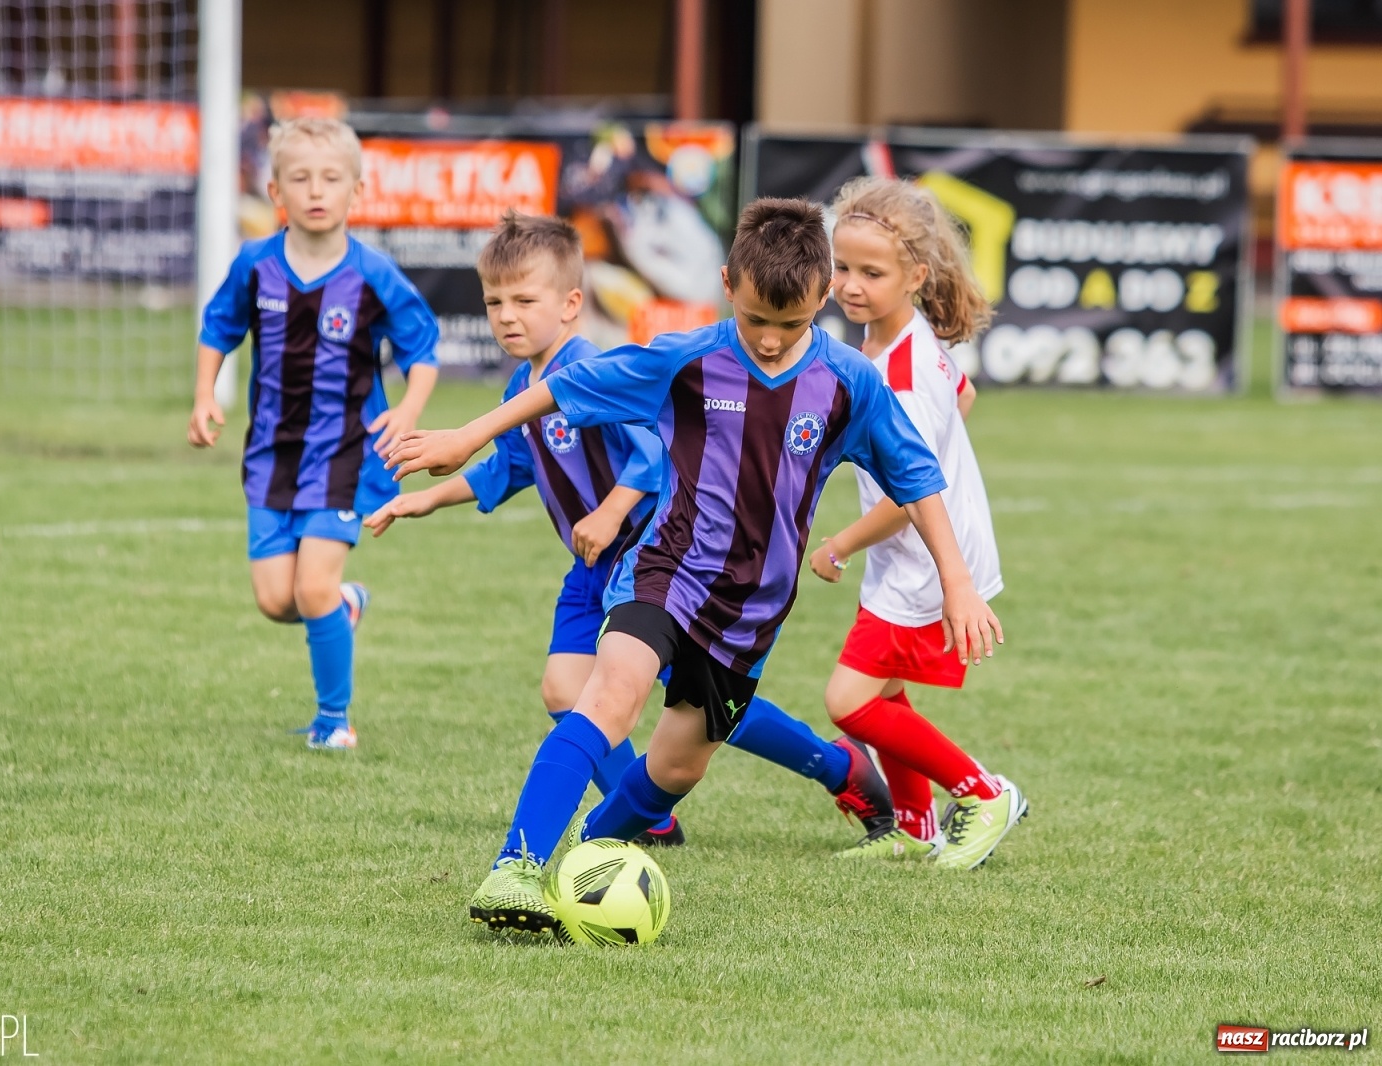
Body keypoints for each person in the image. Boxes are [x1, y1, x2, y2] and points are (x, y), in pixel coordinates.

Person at [387, 198, 1005, 935]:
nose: (772, 342)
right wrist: (468, 434)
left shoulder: (850, 383)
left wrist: (959, 584)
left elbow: (918, 477)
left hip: (751, 614)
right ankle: (515, 868)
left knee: (678, 768)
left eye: (791, 324)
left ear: (820, 299)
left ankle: (590, 853)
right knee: (607, 696)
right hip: (664, 572)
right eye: (755, 322)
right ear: (727, 286)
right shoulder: (686, 359)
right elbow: (565, 387)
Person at [364, 211, 684, 845]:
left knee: (705, 706)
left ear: (570, 303)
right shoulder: (523, 383)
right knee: (565, 690)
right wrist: (426, 501)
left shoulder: (593, 367)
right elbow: (506, 469)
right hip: (592, 567)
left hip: (647, 561)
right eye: (493, 302)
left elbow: (656, 452)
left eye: (523, 300)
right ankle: (650, 816)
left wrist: (611, 508)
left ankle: (831, 764)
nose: (505, 315)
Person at [187, 117, 439, 751]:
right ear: (276, 192)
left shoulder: (374, 276)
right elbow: (218, 329)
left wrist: (409, 409)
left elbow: (423, 350)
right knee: (276, 600)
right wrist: (202, 399)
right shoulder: (255, 265)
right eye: (299, 178)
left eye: (331, 178)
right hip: (271, 456)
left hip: (345, 457)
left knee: (310, 585)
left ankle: (334, 722)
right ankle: (343, 606)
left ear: (358, 191)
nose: (316, 190)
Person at [807, 176, 1025, 869]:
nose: (851, 285)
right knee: (889, 691)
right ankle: (914, 826)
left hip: (928, 558)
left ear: (916, 275)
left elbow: (909, 492)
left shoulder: (902, 372)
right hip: (909, 555)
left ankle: (984, 792)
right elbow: (964, 394)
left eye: (872, 273)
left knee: (849, 700)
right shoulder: (892, 342)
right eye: (843, 268)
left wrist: (840, 541)